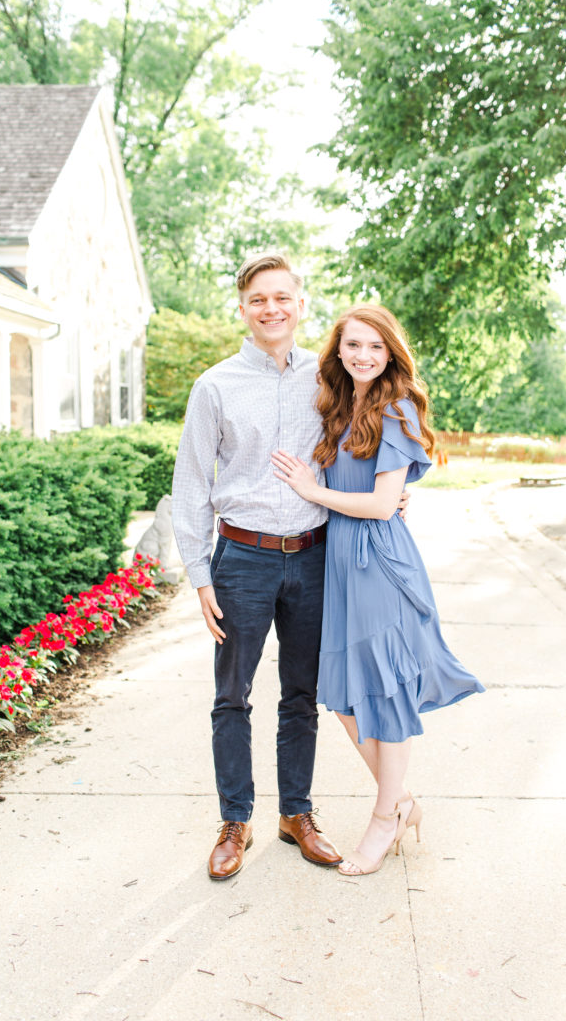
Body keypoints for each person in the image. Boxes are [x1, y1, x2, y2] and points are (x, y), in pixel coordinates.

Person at [271, 304, 485, 876]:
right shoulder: (343, 402)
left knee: (385, 695)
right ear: (338, 349)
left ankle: (384, 818)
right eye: (353, 345)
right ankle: (403, 802)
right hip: (339, 562)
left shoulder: (396, 406)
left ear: (391, 352)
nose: (363, 355)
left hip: (378, 564)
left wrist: (312, 492)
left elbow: (383, 504)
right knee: (339, 692)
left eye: (375, 347)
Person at [171, 252, 343, 880]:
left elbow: (366, 442)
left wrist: (398, 489)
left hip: (313, 556)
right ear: (242, 309)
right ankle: (235, 820)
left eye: (282, 297)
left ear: (301, 304)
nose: (271, 309)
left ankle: (295, 813)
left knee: (303, 694)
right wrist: (198, 573)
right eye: (257, 300)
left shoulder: (330, 379)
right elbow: (190, 481)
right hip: (240, 558)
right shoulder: (215, 385)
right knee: (231, 695)